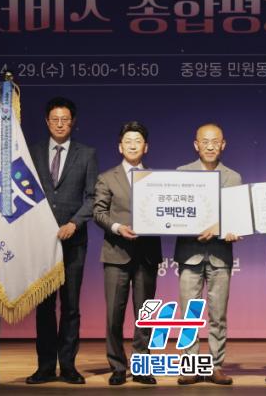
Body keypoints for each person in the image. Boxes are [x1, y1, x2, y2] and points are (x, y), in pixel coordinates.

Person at [26, 97, 98, 385]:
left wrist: (74, 223)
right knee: (44, 307)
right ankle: (45, 367)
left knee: (70, 306)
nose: (59, 124)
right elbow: (25, 195)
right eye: (54, 119)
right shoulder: (31, 152)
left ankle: (68, 366)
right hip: (41, 243)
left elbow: (92, 198)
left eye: (65, 120)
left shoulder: (87, 154)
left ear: (73, 122)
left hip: (73, 241)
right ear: (47, 121)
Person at [93, 121, 162, 386]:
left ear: (146, 147)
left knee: (146, 315)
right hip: (116, 253)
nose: (133, 145)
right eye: (128, 141)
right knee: (114, 315)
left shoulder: (157, 179)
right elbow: (99, 212)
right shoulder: (107, 177)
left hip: (147, 254)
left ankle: (142, 365)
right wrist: (117, 227)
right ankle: (118, 366)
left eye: (138, 141)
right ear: (120, 147)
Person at [174, 123, 242, 386]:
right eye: (205, 141)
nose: (210, 146)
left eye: (215, 142)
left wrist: (226, 230)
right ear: (196, 145)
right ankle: (190, 366)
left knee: (218, 315)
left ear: (223, 145)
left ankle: (215, 365)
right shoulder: (181, 173)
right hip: (189, 254)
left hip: (220, 255)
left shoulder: (233, 177)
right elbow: (175, 212)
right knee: (189, 315)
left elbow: (237, 218)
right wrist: (191, 228)